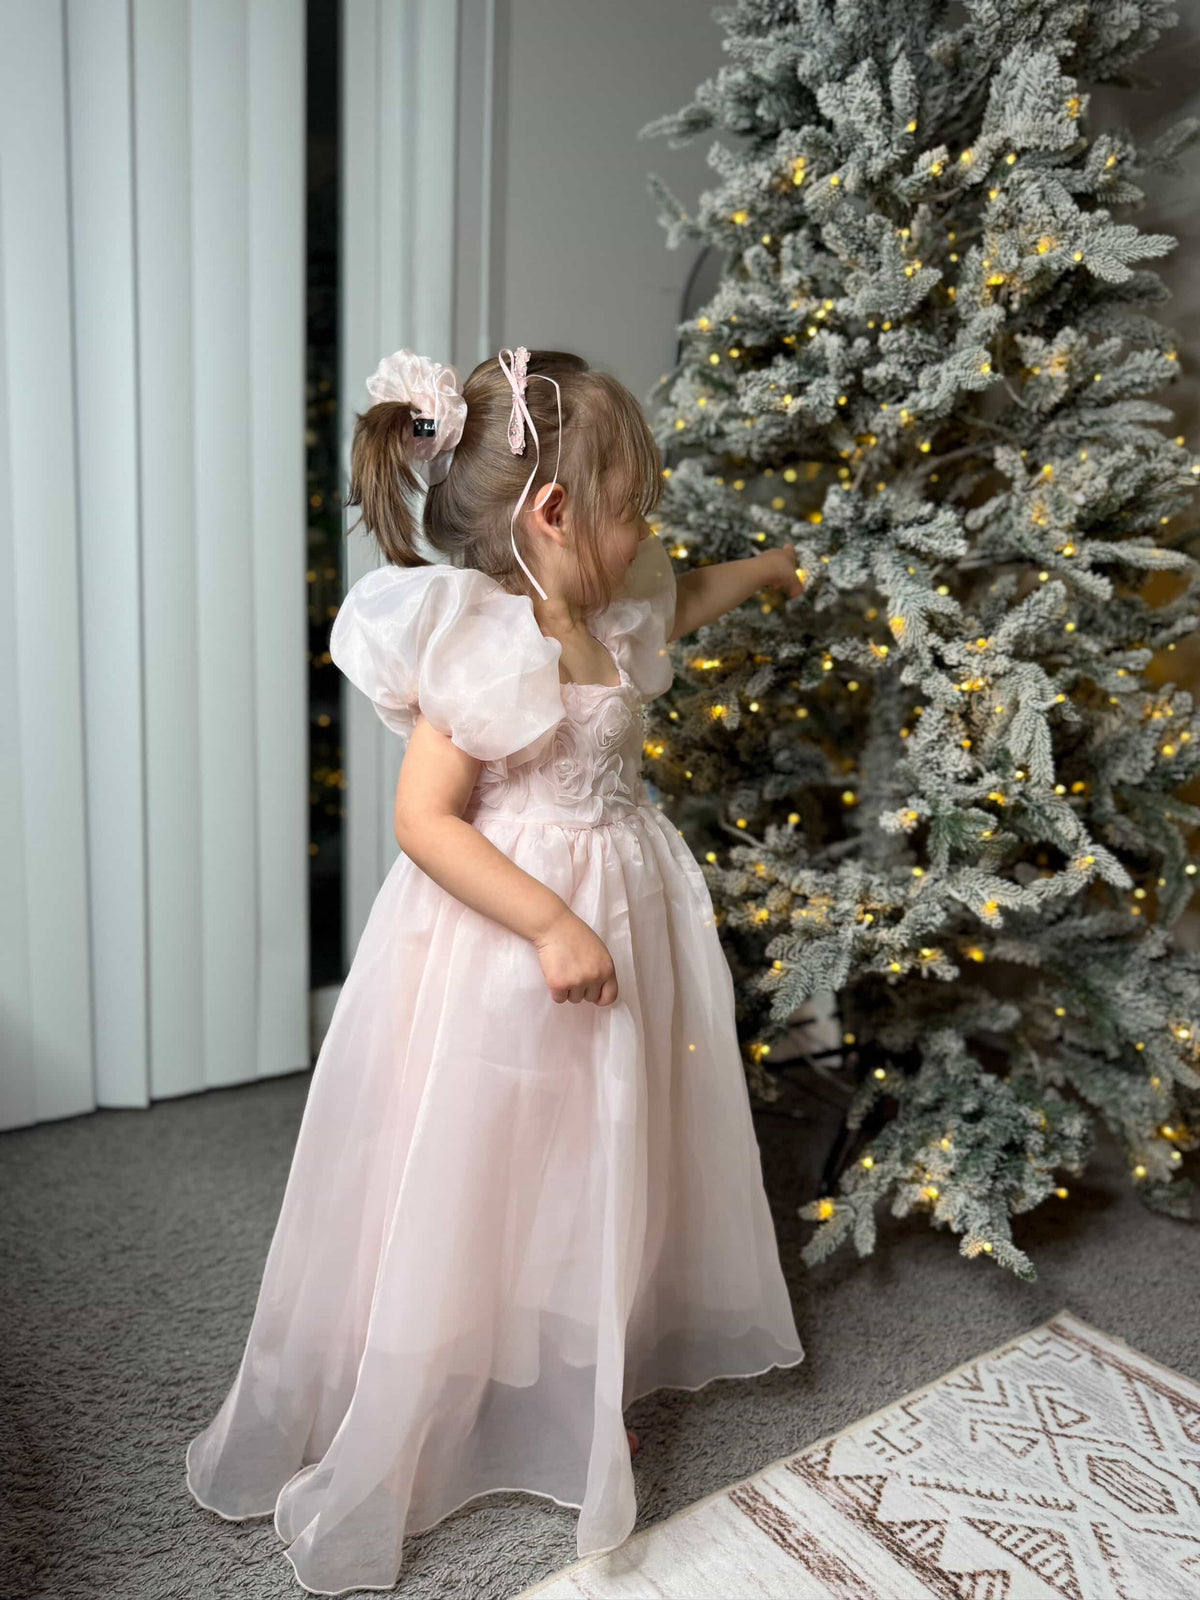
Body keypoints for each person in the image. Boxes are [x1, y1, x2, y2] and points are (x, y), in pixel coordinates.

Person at [184, 346, 806, 1596]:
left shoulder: (612, 602)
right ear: (554, 511)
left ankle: (571, 1375)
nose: (651, 530)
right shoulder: (479, 636)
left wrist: (779, 565)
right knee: (493, 1151)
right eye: (633, 505)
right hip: (508, 942)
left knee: (600, 1148)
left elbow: (682, 600)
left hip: (624, 911)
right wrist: (551, 924)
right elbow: (427, 822)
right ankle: (444, 1371)